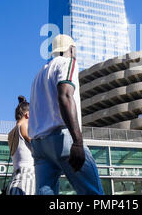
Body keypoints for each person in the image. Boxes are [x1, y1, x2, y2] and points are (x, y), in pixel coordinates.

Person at [28, 34, 104, 195]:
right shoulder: (67, 62)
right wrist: (77, 141)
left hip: (39, 145)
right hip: (62, 139)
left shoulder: (38, 75)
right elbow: (65, 96)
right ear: (71, 49)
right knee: (93, 194)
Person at [6, 96, 35, 195]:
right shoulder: (24, 126)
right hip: (26, 179)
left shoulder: (11, 133)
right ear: (27, 115)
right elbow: (38, 145)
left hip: (14, 179)